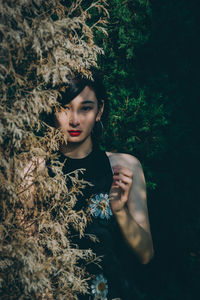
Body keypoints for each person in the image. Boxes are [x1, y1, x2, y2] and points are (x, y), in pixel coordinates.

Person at [48, 71, 154, 300]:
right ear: (52, 109)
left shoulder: (125, 167)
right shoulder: (36, 170)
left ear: (100, 110)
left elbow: (145, 254)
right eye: (64, 107)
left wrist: (119, 211)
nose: (74, 119)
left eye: (85, 108)